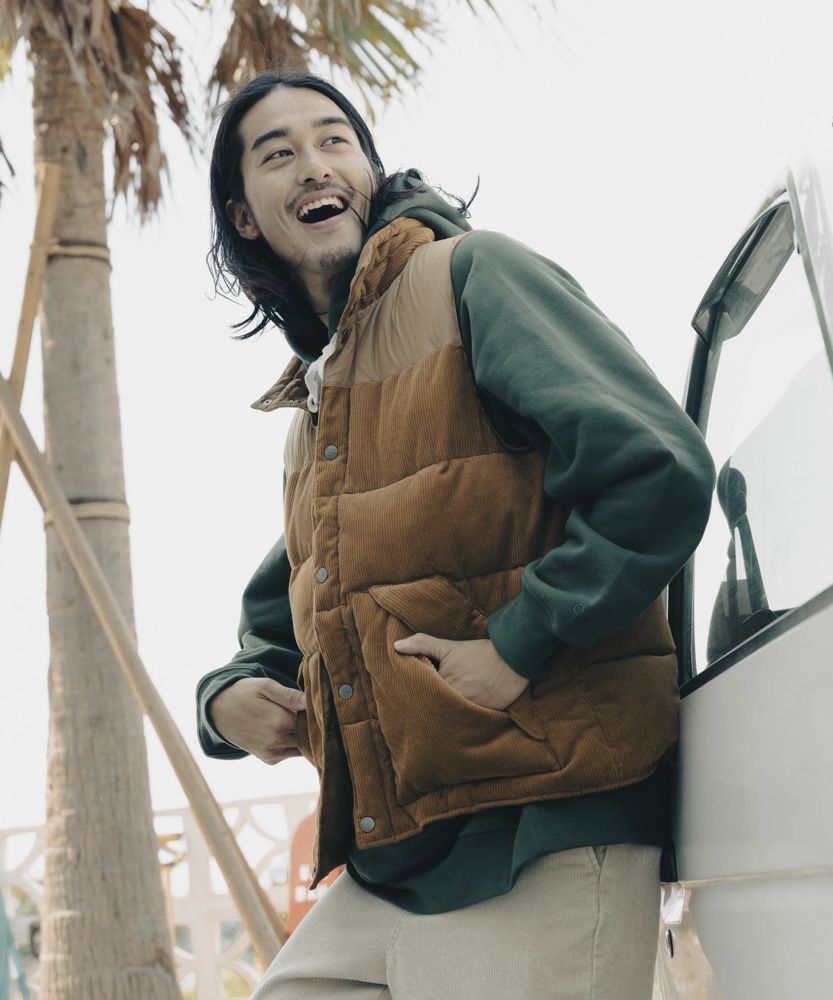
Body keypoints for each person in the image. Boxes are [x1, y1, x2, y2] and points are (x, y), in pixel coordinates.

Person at [196, 70, 716, 1000]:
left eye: (334, 139)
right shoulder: (316, 410)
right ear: (244, 216)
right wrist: (226, 698)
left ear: (369, 171)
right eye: (278, 154)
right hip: (395, 855)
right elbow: (296, 611)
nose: (314, 164)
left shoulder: (474, 275)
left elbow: (655, 469)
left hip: (546, 821)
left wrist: (518, 645)